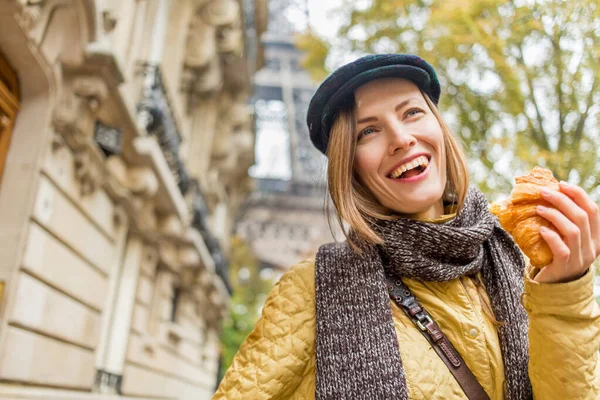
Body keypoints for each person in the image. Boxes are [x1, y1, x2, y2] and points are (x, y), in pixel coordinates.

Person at [213, 54, 600, 399]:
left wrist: (564, 296)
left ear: (440, 129)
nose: (401, 138)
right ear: (351, 169)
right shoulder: (310, 290)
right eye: (368, 131)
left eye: (411, 112)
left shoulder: (520, 266)